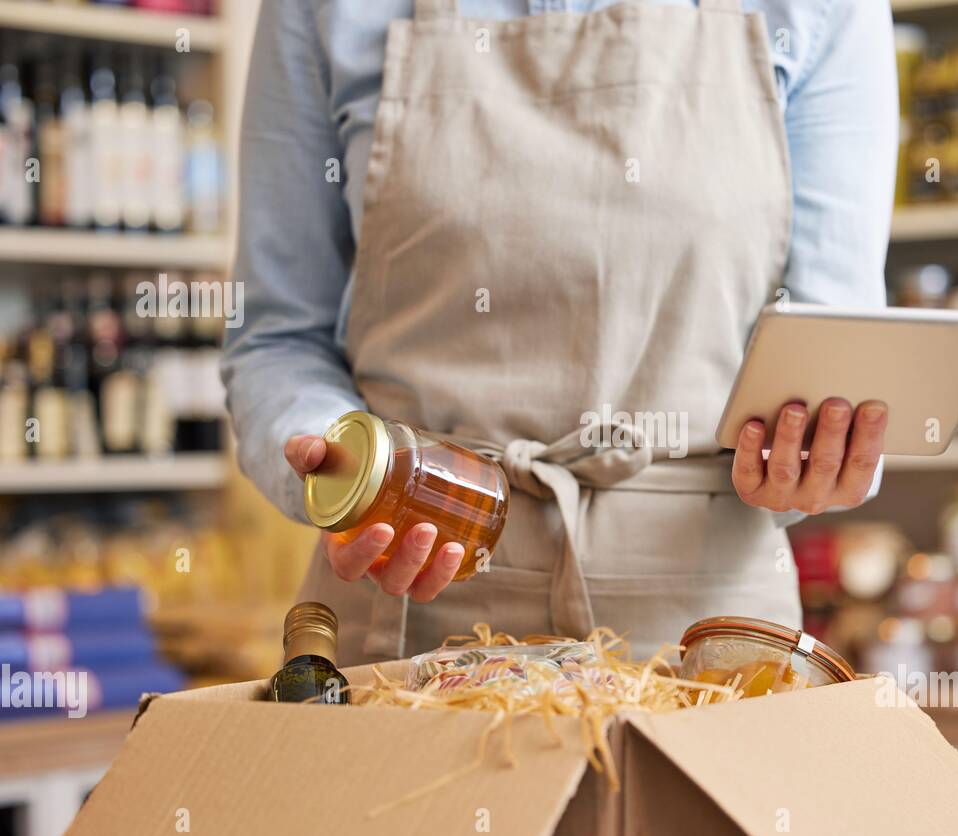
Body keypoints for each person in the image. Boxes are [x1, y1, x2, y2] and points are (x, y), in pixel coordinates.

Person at [223, 0, 897, 664]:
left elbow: (833, 343)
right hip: (410, 606)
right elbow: (278, 336)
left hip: (715, 646)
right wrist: (345, 476)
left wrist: (816, 453)